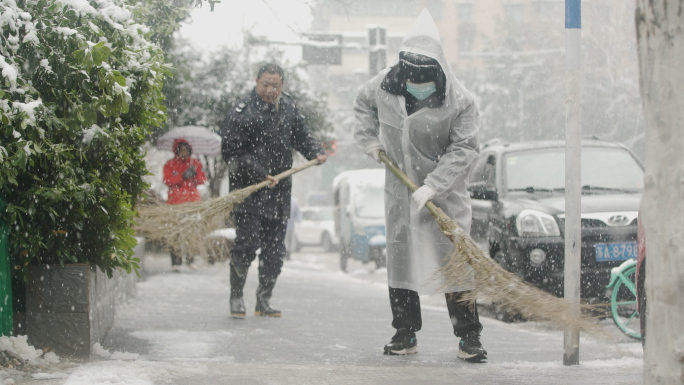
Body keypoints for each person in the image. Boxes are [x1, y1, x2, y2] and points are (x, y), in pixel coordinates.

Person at [353, 10, 486, 362]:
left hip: (445, 197)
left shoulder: (460, 100)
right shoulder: (384, 84)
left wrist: (434, 184)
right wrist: (370, 142)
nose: (417, 84)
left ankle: (469, 337)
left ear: (438, 69)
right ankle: (404, 332)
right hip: (399, 192)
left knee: (455, 263)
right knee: (401, 258)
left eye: (424, 78)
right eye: (411, 76)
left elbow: (464, 148)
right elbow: (362, 105)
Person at [220, 63, 327, 318]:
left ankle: (263, 300)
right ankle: (236, 297)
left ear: (282, 85)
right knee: (247, 244)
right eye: (265, 84)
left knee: (275, 251)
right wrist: (258, 172)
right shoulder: (242, 112)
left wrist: (315, 151)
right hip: (250, 191)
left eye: (275, 85)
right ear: (256, 81)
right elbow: (231, 153)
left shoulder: (288, 107)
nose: (270, 90)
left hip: (279, 193)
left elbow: (302, 135)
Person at [163, 138, 207, 271]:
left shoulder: (195, 163)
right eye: (181, 150)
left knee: (191, 231)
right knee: (175, 233)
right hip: (175, 202)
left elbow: (202, 179)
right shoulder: (170, 164)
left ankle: (190, 258)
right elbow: (167, 180)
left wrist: (194, 175)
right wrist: (182, 176)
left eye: (186, 150)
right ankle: (176, 261)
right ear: (177, 151)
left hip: (192, 202)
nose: (184, 152)